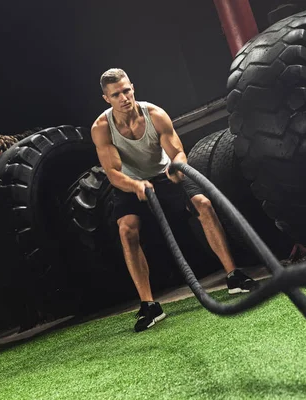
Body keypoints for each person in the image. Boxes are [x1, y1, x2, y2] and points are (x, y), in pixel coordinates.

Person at [91, 68, 259, 332]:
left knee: (203, 204)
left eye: (126, 90)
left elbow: (178, 151)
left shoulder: (155, 114)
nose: (124, 97)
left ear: (132, 87)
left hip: (164, 174)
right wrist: (135, 185)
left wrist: (176, 167)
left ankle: (234, 275)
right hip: (130, 183)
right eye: (116, 94)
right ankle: (149, 305)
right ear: (106, 99)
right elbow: (112, 173)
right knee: (126, 230)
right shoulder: (102, 128)